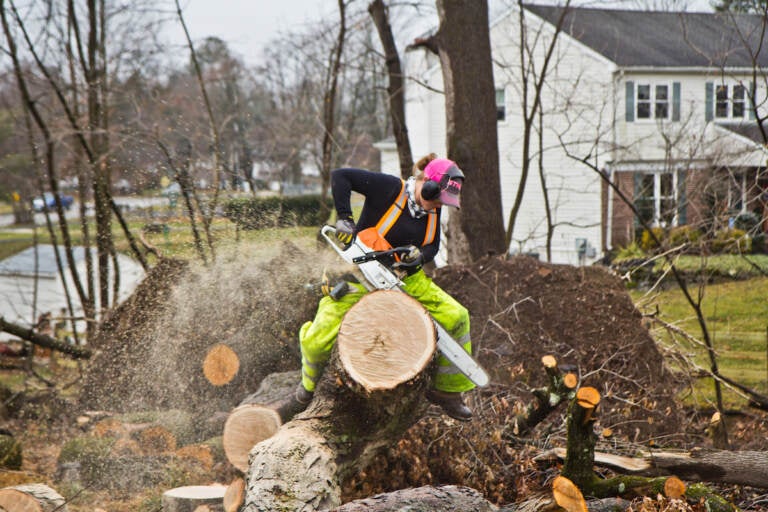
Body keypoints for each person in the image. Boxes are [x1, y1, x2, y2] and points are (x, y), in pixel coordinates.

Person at [296, 154, 475, 421]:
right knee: (316, 340)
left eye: (442, 202)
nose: (438, 206)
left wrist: (420, 256)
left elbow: (432, 246)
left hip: (407, 278)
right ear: (426, 184)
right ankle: (307, 388)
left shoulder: (433, 209)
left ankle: (448, 392)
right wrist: (345, 218)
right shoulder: (390, 188)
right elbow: (340, 176)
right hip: (362, 274)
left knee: (457, 316)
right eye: (437, 199)